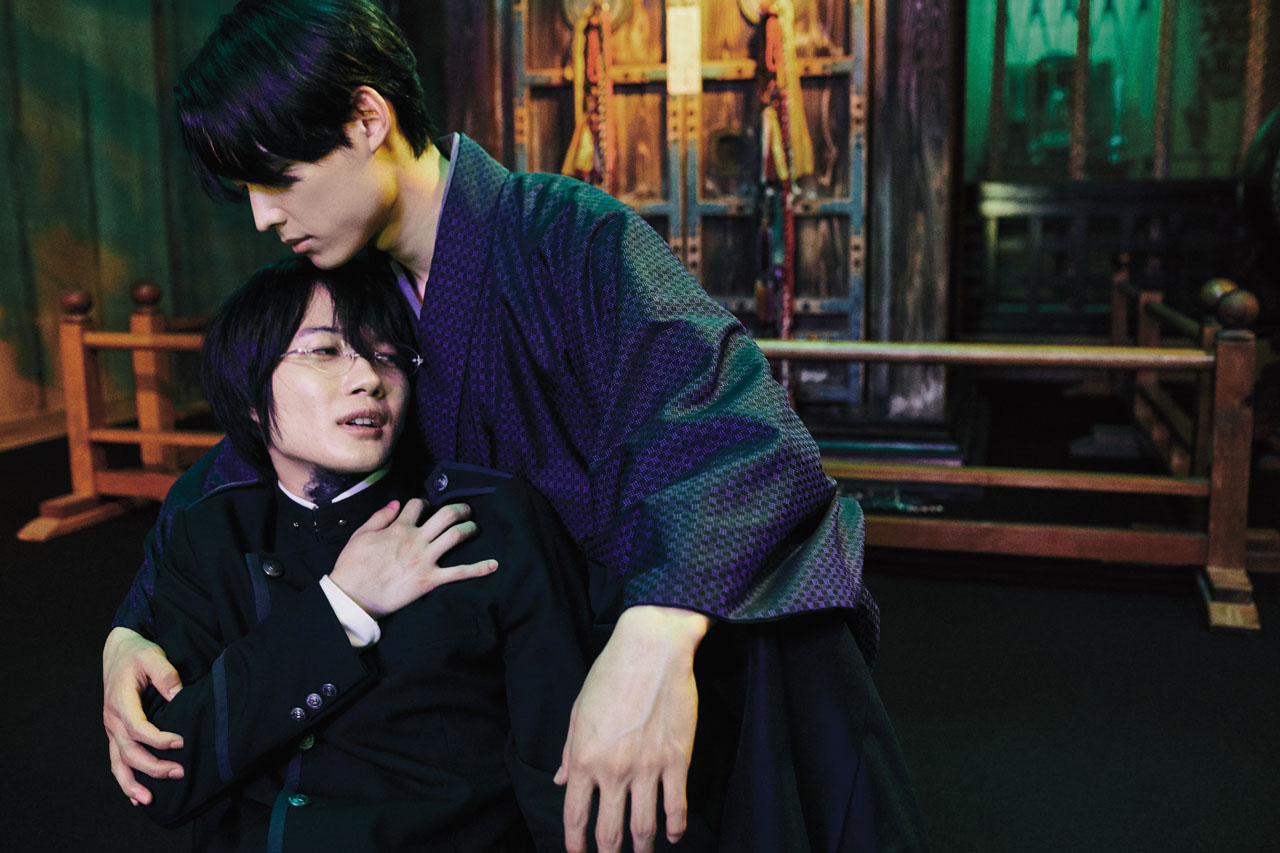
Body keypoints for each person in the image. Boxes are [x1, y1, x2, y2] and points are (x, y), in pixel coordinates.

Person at [102, 1, 925, 849]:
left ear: (367, 119)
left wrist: (656, 632)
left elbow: (734, 424)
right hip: (526, 684)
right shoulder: (364, 291)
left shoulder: (564, 236)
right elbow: (258, 450)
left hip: (676, 644)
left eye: (277, 177)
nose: (262, 217)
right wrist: (135, 624)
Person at [140, 254, 591, 850]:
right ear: (248, 391)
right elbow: (166, 777)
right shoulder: (210, 534)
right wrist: (342, 607)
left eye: (388, 356)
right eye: (326, 350)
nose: (369, 379)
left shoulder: (489, 519)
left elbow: (559, 768)